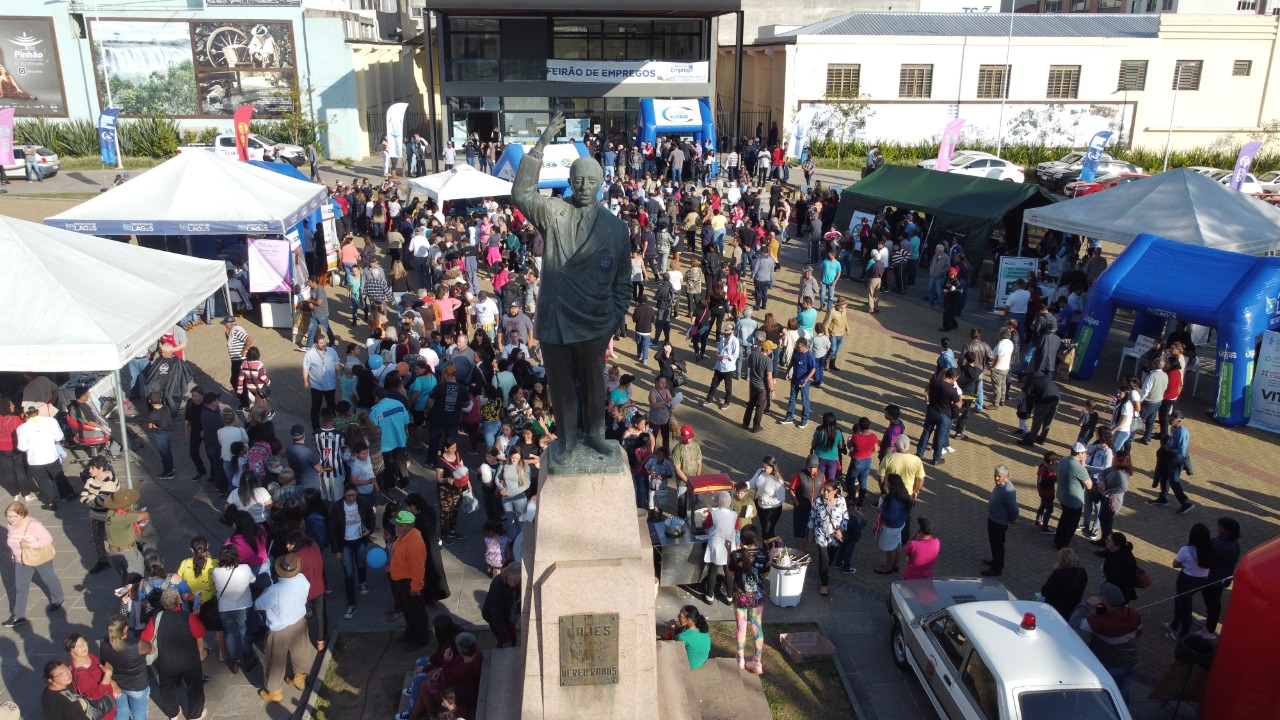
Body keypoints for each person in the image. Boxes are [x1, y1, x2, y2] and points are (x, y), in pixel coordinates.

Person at [511, 112, 631, 464]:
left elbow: (623, 283)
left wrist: (612, 320)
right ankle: (565, 440)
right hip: (556, 318)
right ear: (570, 180)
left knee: (594, 385)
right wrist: (542, 144)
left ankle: (595, 436)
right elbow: (521, 193)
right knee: (561, 385)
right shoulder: (553, 211)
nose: (582, 187)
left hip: (594, 321)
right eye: (577, 180)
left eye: (590, 181)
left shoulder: (615, 229)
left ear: (601, 183)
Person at [139, 589, 207, 720]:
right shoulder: (188, 616)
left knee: (167, 688)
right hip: (189, 660)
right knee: (194, 687)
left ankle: (173, 713)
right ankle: (195, 714)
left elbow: (145, 638)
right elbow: (200, 633)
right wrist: (201, 652)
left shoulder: (156, 618)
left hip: (167, 661)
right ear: (179, 601)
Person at [256, 553, 315, 703]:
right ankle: (300, 678)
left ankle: (274, 691)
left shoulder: (274, 590)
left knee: (275, 660)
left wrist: (262, 594)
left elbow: (258, 605)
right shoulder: (302, 580)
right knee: (300, 652)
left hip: (280, 629)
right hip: (299, 622)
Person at [1069, 583, 1142, 703]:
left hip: (1111, 666)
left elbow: (1074, 622)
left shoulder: (1101, 623)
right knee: (1123, 697)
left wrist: (1087, 604)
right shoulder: (1133, 614)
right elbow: (1139, 632)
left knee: (1104, 700)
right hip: (1131, 662)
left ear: (1105, 600)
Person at [4, 501, 64, 628]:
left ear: (22, 514)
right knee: (20, 587)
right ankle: (19, 616)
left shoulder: (33, 525)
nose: (11, 519)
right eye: (9, 516)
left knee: (48, 578)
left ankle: (58, 599)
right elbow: (13, 543)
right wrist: (14, 555)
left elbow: (48, 539)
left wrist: (31, 545)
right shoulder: (10, 525)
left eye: (14, 516)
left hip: (39, 558)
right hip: (21, 561)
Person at [328, 483, 375, 620]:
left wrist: (369, 531)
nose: (351, 498)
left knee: (361, 564)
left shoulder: (363, 502)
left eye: (353, 495)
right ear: (344, 495)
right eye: (348, 495)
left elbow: (371, 518)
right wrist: (336, 550)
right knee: (348, 572)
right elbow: (332, 530)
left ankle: (362, 581)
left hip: (360, 541)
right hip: (345, 544)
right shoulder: (337, 507)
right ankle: (351, 603)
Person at [728, 525, 770, 674]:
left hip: (740, 596)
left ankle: (740, 659)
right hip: (757, 597)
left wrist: (729, 553)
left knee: (741, 627)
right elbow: (765, 575)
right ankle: (757, 662)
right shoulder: (764, 554)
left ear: (741, 539)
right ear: (756, 538)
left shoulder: (735, 554)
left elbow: (730, 572)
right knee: (757, 627)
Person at [211, 543, 257, 674]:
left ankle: (234, 661)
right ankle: (248, 658)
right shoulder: (245, 568)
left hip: (225, 608)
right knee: (244, 631)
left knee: (230, 634)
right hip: (244, 605)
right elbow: (253, 580)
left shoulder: (216, 571)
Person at [389, 511, 430, 650]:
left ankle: (421, 639)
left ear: (410, 526)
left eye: (400, 525)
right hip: (402, 582)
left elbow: (418, 569)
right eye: (397, 525)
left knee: (416, 613)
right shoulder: (404, 537)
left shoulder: (414, 544)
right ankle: (411, 633)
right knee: (408, 611)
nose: (396, 528)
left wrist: (415, 588)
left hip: (410, 584)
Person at [1167, 523, 1213, 641]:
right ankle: (1174, 624)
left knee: (1185, 607)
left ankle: (1182, 634)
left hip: (1186, 580)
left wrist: (1185, 565)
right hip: (1201, 580)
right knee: (1179, 599)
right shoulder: (1211, 549)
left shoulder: (1186, 550)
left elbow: (1175, 564)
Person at [16, 406, 68, 509]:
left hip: (35, 460)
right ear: (38, 411)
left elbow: (22, 447)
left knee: (43, 481)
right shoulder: (51, 421)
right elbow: (59, 437)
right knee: (59, 476)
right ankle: (65, 495)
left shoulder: (22, 428)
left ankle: (50, 502)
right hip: (51, 456)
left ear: (26, 414)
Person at [99, 615, 149, 720]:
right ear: (125, 628)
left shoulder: (103, 643)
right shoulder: (138, 645)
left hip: (116, 685)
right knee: (139, 714)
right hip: (137, 685)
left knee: (121, 713)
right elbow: (151, 649)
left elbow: (103, 662)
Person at [806, 481, 848, 597]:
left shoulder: (841, 501)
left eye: (828, 491)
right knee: (824, 559)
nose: (825, 492)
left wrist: (841, 530)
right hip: (820, 533)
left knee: (830, 558)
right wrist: (810, 532)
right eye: (824, 489)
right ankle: (824, 584)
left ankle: (823, 569)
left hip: (835, 536)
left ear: (835, 491)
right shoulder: (818, 500)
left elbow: (845, 518)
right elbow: (812, 516)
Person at [1149, 410, 1195, 514]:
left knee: (1174, 480)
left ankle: (1186, 503)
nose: (1170, 421)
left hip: (1177, 458)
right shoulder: (1174, 428)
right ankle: (1163, 498)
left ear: (1179, 421)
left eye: (1172, 420)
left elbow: (1182, 450)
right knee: (1164, 476)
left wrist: (1170, 449)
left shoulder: (1182, 432)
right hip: (1170, 456)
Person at [1201, 516, 1240, 639]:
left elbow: (1206, 558)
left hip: (1213, 580)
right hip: (1221, 578)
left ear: (1228, 531)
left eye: (1221, 528)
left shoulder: (1220, 546)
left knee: (1212, 603)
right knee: (1213, 603)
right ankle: (1209, 623)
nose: (1218, 530)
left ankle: (1209, 630)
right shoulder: (1233, 543)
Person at [64, 633, 116, 720]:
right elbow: (95, 695)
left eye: (83, 643)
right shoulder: (80, 674)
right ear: (70, 651)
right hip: (102, 712)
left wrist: (113, 683)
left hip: (109, 703)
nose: (82, 647)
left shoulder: (89, 656)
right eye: (77, 646)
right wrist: (108, 674)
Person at [700, 491, 738, 605]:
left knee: (712, 571)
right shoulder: (734, 515)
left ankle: (709, 596)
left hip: (716, 544)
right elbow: (737, 527)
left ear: (717, 501)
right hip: (729, 545)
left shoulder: (713, 514)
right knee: (729, 572)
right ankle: (730, 597)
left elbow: (705, 525)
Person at [918, 368, 961, 466]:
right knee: (940, 437)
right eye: (956, 378)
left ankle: (919, 454)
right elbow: (959, 405)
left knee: (926, 433)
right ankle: (936, 459)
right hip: (944, 415)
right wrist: (960, 398)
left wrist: (928, 400)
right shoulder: (952, 389)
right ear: (953, 377)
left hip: (931, 411)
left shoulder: (934, 382)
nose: (956, 380)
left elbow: (927, 389)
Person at [104, 489, 149, 583]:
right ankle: (135, 595)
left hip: (113, 552)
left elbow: (128, 514)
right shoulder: (124, 518)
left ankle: (127, 592)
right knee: (136, 578)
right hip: (128, 553)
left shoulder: (111, 512)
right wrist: (141, 514)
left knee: (124, 577)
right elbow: (145, 515)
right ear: (126, 505)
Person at [1054, 443, 1093, 551]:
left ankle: (1057, 540)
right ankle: (1063, 545)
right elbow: (1089, 486)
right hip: (1074, 501)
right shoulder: (1079, 468)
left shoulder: (1063, 460)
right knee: (1071, 524)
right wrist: (1083, 464)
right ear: (1079, 453)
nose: (1086, 454)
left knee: (1063, 519)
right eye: (1084, 452)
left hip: (1062, 496)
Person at [981, 465, 1017, 577]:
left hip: (999, 523)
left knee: (998, 545)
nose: (996, 478)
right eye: (995, 475)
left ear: (1005, 476)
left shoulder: (1008, 490)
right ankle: (995, 560)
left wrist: (1013, 518)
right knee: (993, 543)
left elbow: (1013, 508)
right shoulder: (999, 485)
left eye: (999, 476)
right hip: (993, 519)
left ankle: (997, 569)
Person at [874, 473, 911, 574]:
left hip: (892, 527)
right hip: (900, 524)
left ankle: (888, 568)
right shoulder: (903, 494)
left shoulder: (895, 501)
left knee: (890, 547)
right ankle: (894, 565)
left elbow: (892, 517)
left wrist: (881, 512)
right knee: (897, 544)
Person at [303, 335, 340, 433]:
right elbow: (306, 368)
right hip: (316, 385)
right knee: (316, 406)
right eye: (321, 343)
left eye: (324, 342)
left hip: (330, 384)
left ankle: (332, 423)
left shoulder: (332, 351)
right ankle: (315, 426)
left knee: (331, 405)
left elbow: (336, 363)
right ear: (315, 344)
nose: (324, 344)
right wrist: (305, 381)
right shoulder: (309, 354)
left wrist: (339, 374)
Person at [1039, 548, 1088, 620]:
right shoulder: (1082, 572)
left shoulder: (1058, 574)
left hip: (1055, 608)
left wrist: (1056, 571)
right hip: (1072, 607)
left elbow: (1045, 592)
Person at [779, 337, 817, 428]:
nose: (797, 348)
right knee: (792, 399)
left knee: (805, 402)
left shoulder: (809, 356)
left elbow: (813, 369)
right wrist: (787, 372)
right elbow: (792, 361)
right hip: (794, 380)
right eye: (796, 346)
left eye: (799, 347)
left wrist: (806, 380)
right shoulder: (796, 351)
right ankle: (789, 417)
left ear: (804, 346)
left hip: (804, 383)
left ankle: (804, 420)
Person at [482, 564, 521, 648]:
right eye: (511, 580)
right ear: (507, 575)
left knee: (513, 639)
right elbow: (496, 615)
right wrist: (505, 639)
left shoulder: (519, 582)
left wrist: (518, 612)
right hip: (494, 616)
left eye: (516, 581)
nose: (513, 584)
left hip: (508, 614)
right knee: (505, 641)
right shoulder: (498, 586)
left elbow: (520, 596)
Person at [665, 605, 711, 669]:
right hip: (701, 661)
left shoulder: (682, 637)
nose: (678, 616)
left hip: (690, 665)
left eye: (680, 615)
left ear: (688, 620)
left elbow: (674, 646)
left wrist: (673, 628)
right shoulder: (703, 629)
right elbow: (686, 629)